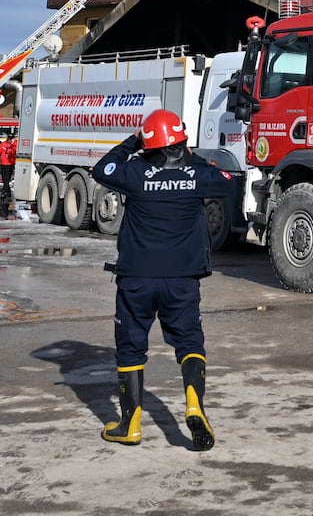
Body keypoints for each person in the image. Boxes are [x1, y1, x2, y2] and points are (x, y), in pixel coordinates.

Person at [92, 109, 235, 449]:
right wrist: (189, 156)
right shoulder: (198, 175)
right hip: (182, 280)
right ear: (181, 141)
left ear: (148, 142)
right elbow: (228, 182)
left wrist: (133, 141)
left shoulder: (135, 172)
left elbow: (102, 169)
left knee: (130, 349)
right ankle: (194, 404)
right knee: (189, 344)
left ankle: (130, 425)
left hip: (136, 279)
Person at [0, 135, 17, 210]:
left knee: (7, 178)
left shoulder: (15, 145)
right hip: (4, 163)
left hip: (10, 164)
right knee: (5, 178)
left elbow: (16, 151)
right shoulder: (3, 144)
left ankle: (4, 191)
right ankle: (7, 191)